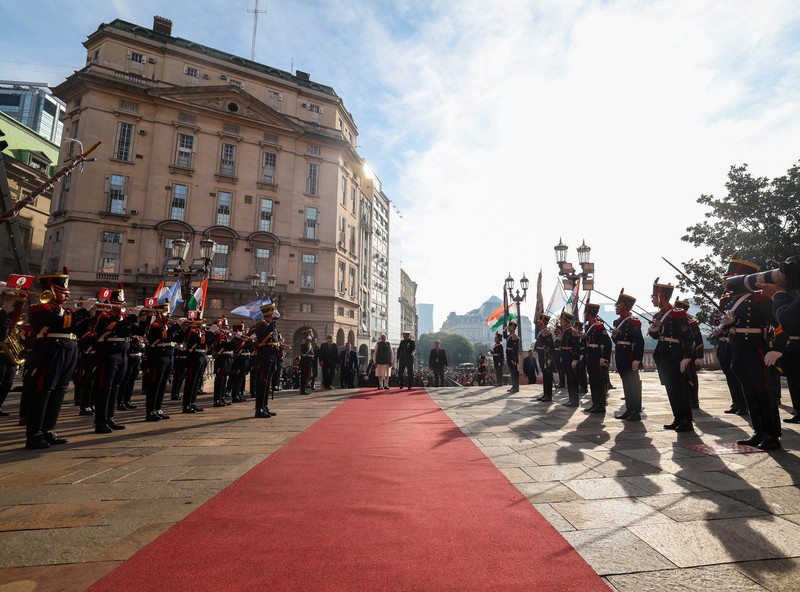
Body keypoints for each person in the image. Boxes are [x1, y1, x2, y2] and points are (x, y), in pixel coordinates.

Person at [24, 268, 79, 449]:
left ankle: (48, 430)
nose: (67, 295)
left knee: (59, 391)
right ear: (52, 291)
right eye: (64, 292)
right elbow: (58, 323)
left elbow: (79, 329)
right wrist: (83, 314)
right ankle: (34, 434)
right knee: (44, 390)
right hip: (50, 351)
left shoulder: (66, 310)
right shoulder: (39, 308)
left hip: (68, 350)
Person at [648, 278, 695, 433]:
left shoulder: (677, 313)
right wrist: (654, 331)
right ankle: (678, 417)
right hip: (663, 355)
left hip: (675, 354)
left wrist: (687, 356)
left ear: (660, 296)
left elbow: (688, 336)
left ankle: (686, 420)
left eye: (653, 297)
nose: (652, 300)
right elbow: (658, 336)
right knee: (670, 388)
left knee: (680, 388)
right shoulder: (658, 315)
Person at [611, 291, 645, 421]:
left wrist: (637, 359)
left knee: (633, 383)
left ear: (624, 306)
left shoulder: (633, 321)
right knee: (625, 381)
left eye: (618, 306)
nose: (616, 308)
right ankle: (629, 409)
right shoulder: (617, 322)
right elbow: (616, 341)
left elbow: (639, 341)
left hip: (629, 354)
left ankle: (636, 411)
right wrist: (614, 335)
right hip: (620, 353)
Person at [581, 303, 612, 414]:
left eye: (586, 312)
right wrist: (583, 338)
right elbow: (586, 343)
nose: (584, 315)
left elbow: (608, 343)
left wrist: (604, 357)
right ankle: (595, 403)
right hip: (590, 355)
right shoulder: (588, 327)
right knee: (592, 380)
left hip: (597, 355)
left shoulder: (599, 326)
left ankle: (601, 405)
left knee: (599, 380)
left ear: (589, 313)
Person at [252, 303, 279, 416]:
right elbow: (266, 332)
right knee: (262, 382)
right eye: (272, 315)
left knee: (267, 383)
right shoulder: (261, 326)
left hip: (271, 357)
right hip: (264, 357)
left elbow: (275, 343)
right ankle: (259, 409)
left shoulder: (270, 326)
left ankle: (264, 406)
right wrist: (274, 321)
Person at [558, 311, 581, 407]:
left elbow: (576, 346)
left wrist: (575, 359)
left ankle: (575, 400)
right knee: (569, 379)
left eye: (561, 321)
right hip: (565, 357)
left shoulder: (573, 331)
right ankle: (571, 398)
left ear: (565, 321)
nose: (560, 322)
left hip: (571, 357)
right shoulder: (564, 331)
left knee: (573, 379)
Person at [534, 315, 556, 402]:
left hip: (546, 357)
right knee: (545, 376)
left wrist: (550, 358)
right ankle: (545, 394)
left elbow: (551, 347)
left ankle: (549, 395)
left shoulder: (547, 332)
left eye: (540, 321)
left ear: (543, 322)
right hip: (541, 356)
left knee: (548, 376)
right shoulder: (542, 332)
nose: (539, 322)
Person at [503, 321, 521, 393]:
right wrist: (504, 330)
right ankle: (514, 386)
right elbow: (505, 336)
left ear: (513, 328)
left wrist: (514, 358)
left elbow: (515, 348)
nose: (508, 328)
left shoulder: (514, 336)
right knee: (512, 372)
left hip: (512, 356)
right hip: (509, 355)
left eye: (509, 327)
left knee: (514, 372)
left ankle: (516, 387)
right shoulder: (510, 335)